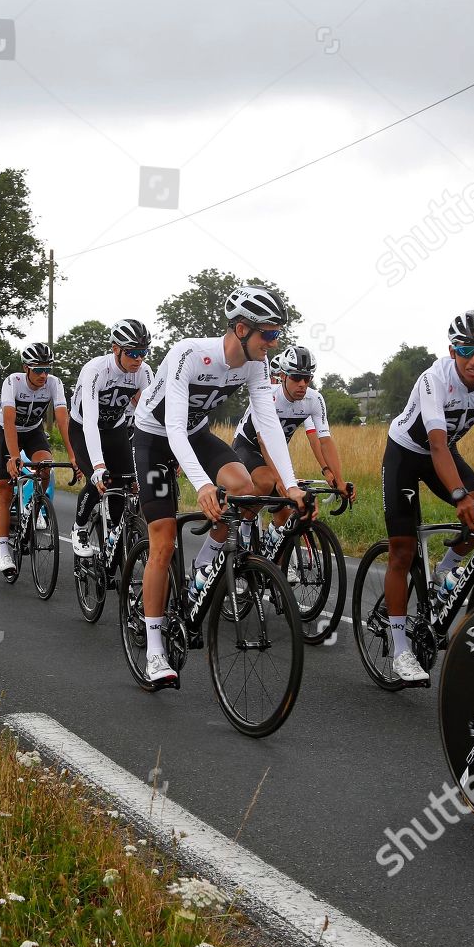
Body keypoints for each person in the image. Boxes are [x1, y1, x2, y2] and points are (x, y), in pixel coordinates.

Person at [130, 285, 312, 685]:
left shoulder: (256, 364)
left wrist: (292, 485)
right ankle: (156, 650)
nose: (274, 342)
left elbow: (269, 426)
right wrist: (201, 485)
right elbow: (172, 427)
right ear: (242, 328)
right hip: (154, 437)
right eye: (269, 333)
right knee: (162, 540)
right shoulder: (189, 355)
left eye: (278, 333)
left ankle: (202, 569)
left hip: (196, 433)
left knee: (246, 493)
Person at [381, 310, 474, 682]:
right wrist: (457, 494)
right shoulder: (434, 379)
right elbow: (434, 443)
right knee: (402, 549)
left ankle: (445, 569)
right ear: (452, 350)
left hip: (445, 452)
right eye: (465, 349)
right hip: (408, 454)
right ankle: (400, 649)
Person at [230, 344, 355, 559]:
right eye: (297, 377)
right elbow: (263, 440)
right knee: (269, 481)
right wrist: (281, 480)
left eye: (307, 378)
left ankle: (273, 566)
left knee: (287, 515)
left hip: (274, 452)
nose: (302, 384)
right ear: (283, 376)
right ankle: (246, 523)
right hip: (248, 447)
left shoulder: (314, 400)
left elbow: (325, 441)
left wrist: (339, 480)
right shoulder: (267, 397)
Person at [68, 319, 154, 557]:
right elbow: (90, 422)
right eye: (133, 352)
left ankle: (114, 537)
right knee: (100, 481)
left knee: (126, 482)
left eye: (144, 352)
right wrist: (97, 465)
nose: (139, 359)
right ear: (116, 349)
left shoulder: (143, 372)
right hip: (84, 427)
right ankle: (80, 527)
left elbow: (150, 415)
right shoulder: (96, 371)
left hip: (115, 428)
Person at [0, 342, 75, 578]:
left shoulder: (54, 383)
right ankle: (4, 551)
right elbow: (9, 421)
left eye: (47, 369)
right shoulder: (13, 382)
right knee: (4, 489)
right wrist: (14, 457)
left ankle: (35, 506)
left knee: (45, 467)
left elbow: (62, 419)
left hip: (33, 432)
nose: (43, 375)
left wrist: (72, 455)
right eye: (38, 369)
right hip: (8, 433)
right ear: (26, 368)